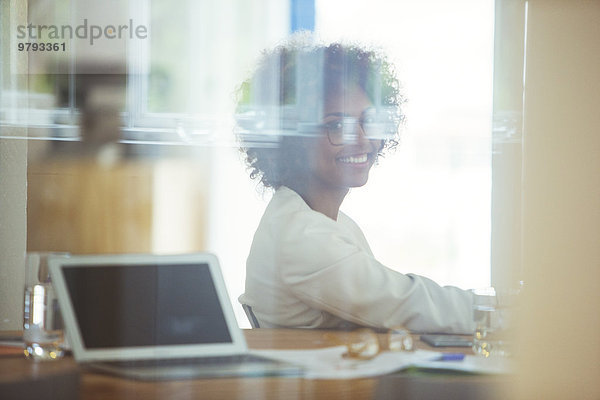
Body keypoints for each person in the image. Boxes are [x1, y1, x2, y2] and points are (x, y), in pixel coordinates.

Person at [236, 36, 473, 333]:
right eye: (337, 125)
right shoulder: (301, 236)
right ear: (292, 140)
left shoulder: (327, 222)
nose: (362, 139)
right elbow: (407, 305)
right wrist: (508, 309)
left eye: (369, 120)